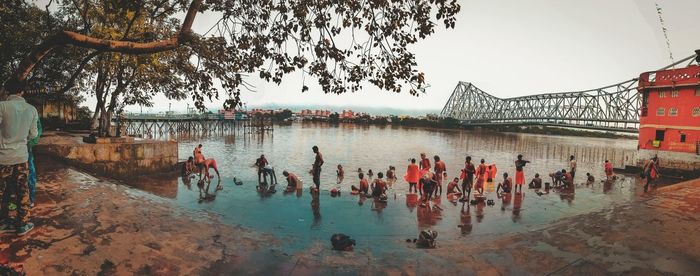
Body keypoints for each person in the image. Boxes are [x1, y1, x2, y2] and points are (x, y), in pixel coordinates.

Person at [0, 83, 39, 236]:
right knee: (23, 190)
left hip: (2, 157)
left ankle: (3, 223)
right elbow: (34, 134)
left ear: (6, 91)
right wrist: (21, 140)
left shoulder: (2, 106)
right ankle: (22, 224)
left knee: (2, 192)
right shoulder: (32, 109)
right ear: (22, 91)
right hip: (21, 157)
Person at [27, 119, 42, 207]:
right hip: (5, 149)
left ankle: (30, 198)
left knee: (29, 173)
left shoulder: (30, 110)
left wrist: (30, 143)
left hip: (25, 147)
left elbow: (38, 128)